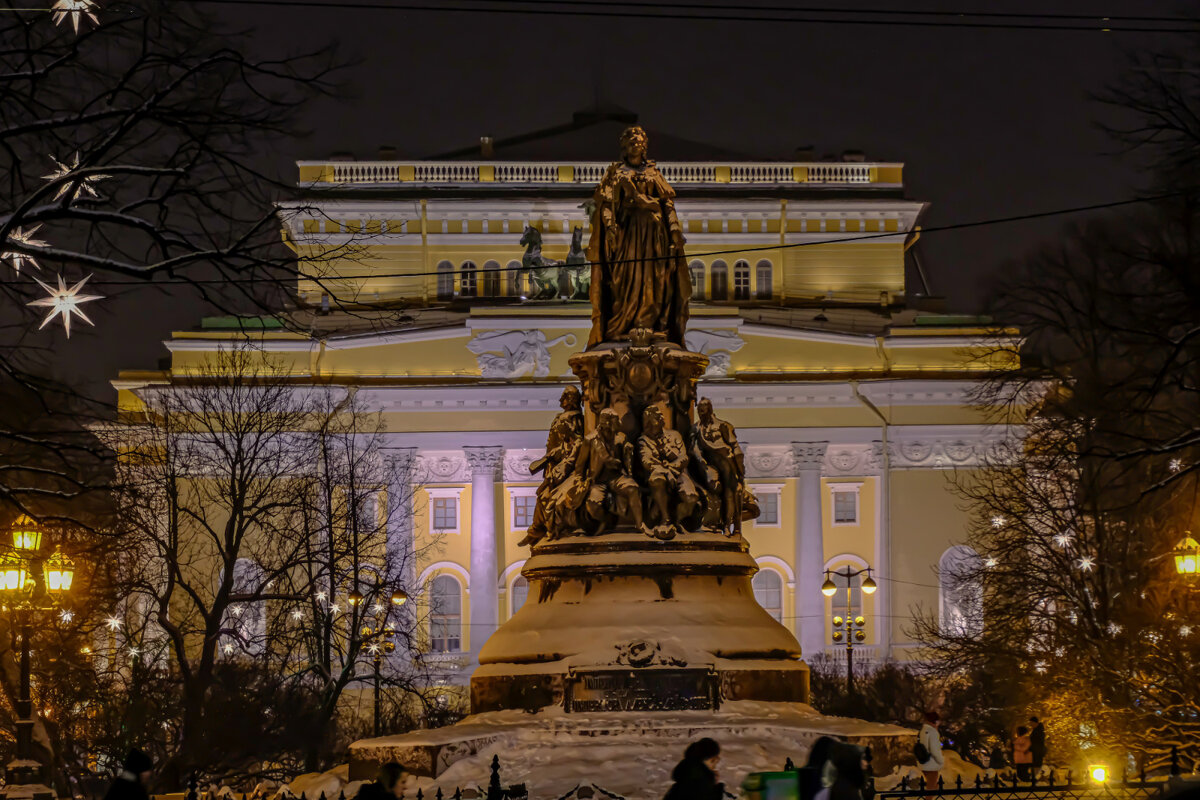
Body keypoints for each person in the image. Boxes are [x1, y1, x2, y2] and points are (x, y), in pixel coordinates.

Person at [917, 711, 944, 792]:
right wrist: (941, 761)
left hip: (924, 762)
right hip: (932, 763)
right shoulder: (932, 732)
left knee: (932, 786)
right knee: (931, 789)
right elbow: (934, 749)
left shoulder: (924, 730)